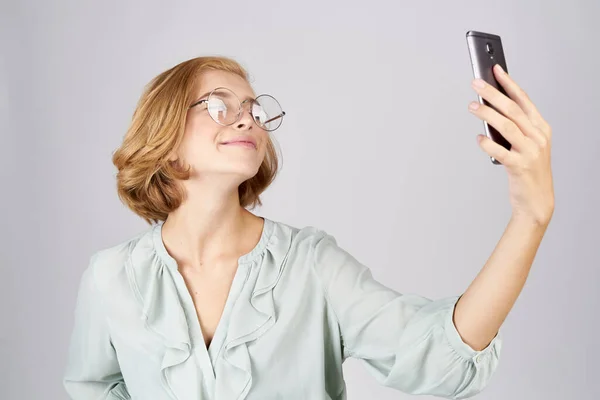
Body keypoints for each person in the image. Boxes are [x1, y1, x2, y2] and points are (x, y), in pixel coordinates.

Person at [63, 56, 555, 400]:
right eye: (218, 106)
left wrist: (529, 218)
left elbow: (438, 355)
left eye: (254, 110)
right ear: (164, 139)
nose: (246, 120)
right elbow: (93, 389)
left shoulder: (311, 265)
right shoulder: (110, 279)